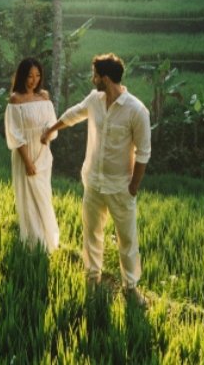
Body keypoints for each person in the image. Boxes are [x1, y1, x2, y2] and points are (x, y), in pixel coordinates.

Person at [42, 53, 151, 305]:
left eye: (95, 76)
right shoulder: (95, 99)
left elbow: (144, 152)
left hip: (120, 188)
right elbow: (73, 114)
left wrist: (133, 186)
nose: (93, 80)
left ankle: (131, 287)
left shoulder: (136, 110)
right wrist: (50, 129)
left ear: (104, 78)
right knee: (91, 234)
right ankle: (92, 279)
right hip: (93, 182)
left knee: (127, 239)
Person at [4, 57, 60, 253]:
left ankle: (48, 240)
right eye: (29, 76)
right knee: (28, 197)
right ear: (22, 76)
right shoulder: (15, 100)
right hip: (25, 155)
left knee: (44, 196)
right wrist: (27, 162)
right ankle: (33, 244)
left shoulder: (44, 97)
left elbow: (52, 124)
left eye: (37, 76)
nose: (34, 80)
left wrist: (48, 135)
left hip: (43, 153)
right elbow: (16, 134)